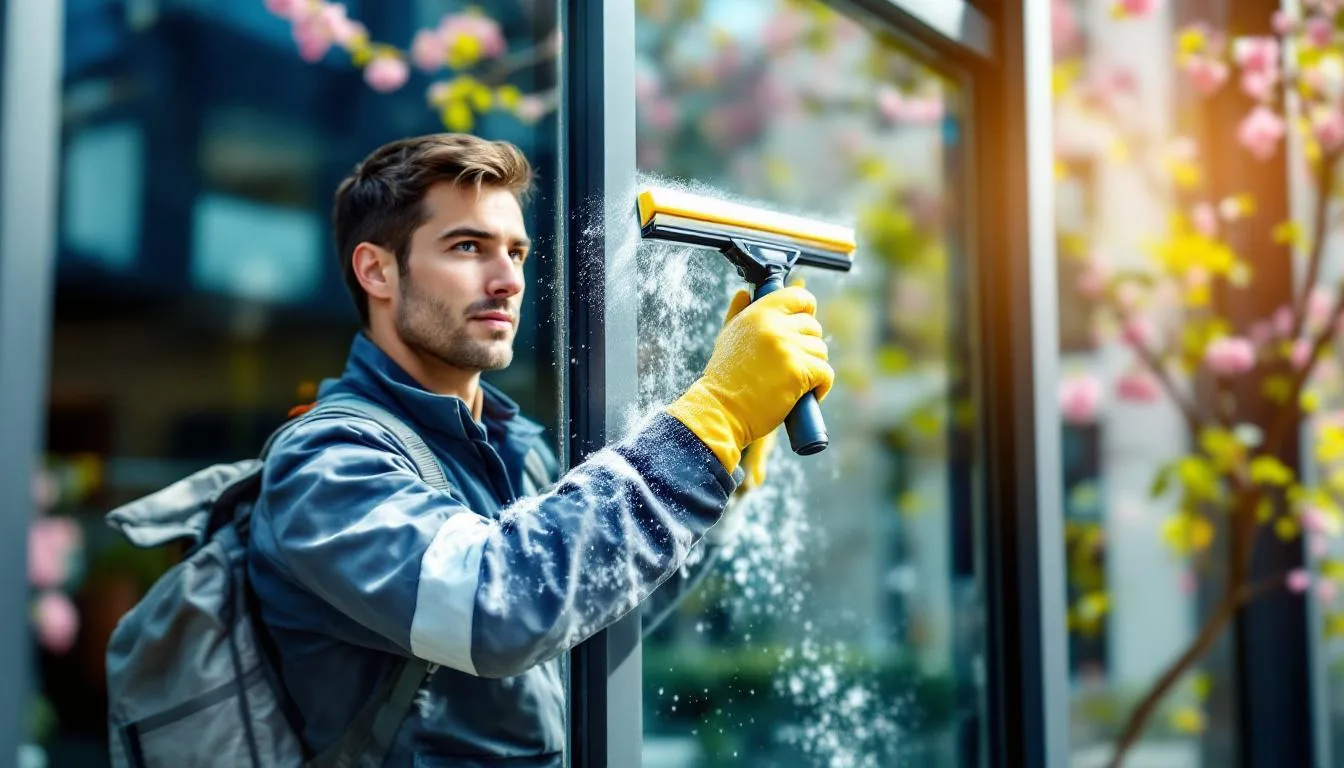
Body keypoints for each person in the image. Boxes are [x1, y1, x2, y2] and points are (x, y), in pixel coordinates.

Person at [246, 133, 833, 766]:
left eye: (517, 252)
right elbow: (497, 607)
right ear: (377, 270)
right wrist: (711, 417)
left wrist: (726, 459)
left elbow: (589, 606)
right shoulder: (325, 462)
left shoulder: (511, 449)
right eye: (468, 247)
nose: (506, 281)